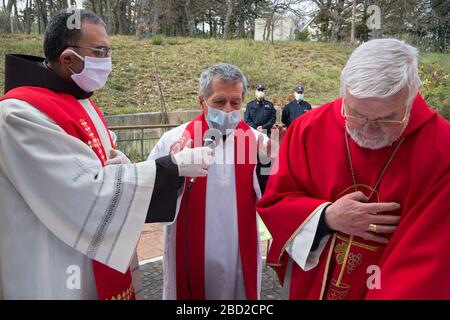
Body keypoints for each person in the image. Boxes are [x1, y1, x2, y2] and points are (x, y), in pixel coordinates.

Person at [0, 9, 212, 300]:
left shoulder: (81, 102)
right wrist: (169, 168)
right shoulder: (18, 115)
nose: (108, 61)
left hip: (87, 256)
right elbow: (81, 191)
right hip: (53, 263)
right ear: (68, 59)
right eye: (100, 51)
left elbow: (102, 167)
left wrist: (125, 166)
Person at [256, 39, 450, 299]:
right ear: (344, 92)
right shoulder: (308, 129)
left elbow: (430, 258)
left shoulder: (442, 149)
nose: (368, 131)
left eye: (387, 118)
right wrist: (326, 217)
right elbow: (277, 203)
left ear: (413, 95)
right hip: (315, 284)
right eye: (357, 113)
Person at [149, 63, 271, 300]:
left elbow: (277, 197)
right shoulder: (175, 140)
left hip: (238, 251)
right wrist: (173, 169)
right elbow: (150, 194)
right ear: (202, 101)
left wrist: (270, 162)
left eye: (235, 103)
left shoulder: (258, 142)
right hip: (189, 253)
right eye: (219, 101)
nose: (228, 109)